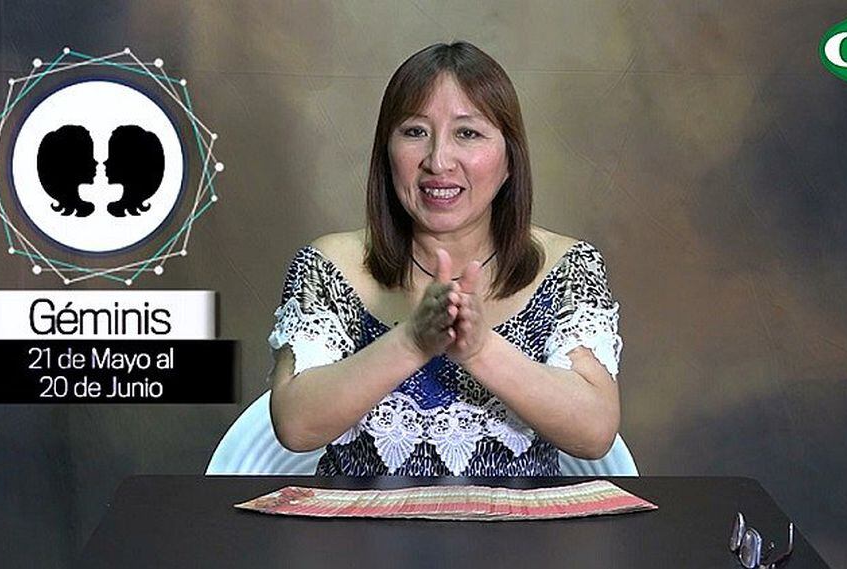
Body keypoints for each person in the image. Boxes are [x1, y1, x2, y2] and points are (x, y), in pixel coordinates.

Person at [267, 41, 623, 476]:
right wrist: (412, 341)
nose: (438, 161)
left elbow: (595, 432)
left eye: (467, 133)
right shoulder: (329, 265)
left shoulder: (568, 267)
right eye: (415, 132)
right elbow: (295, 426)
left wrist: (480, 350)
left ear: (510, 160)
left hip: (517, 521)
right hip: (359, 519)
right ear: (386, 153)